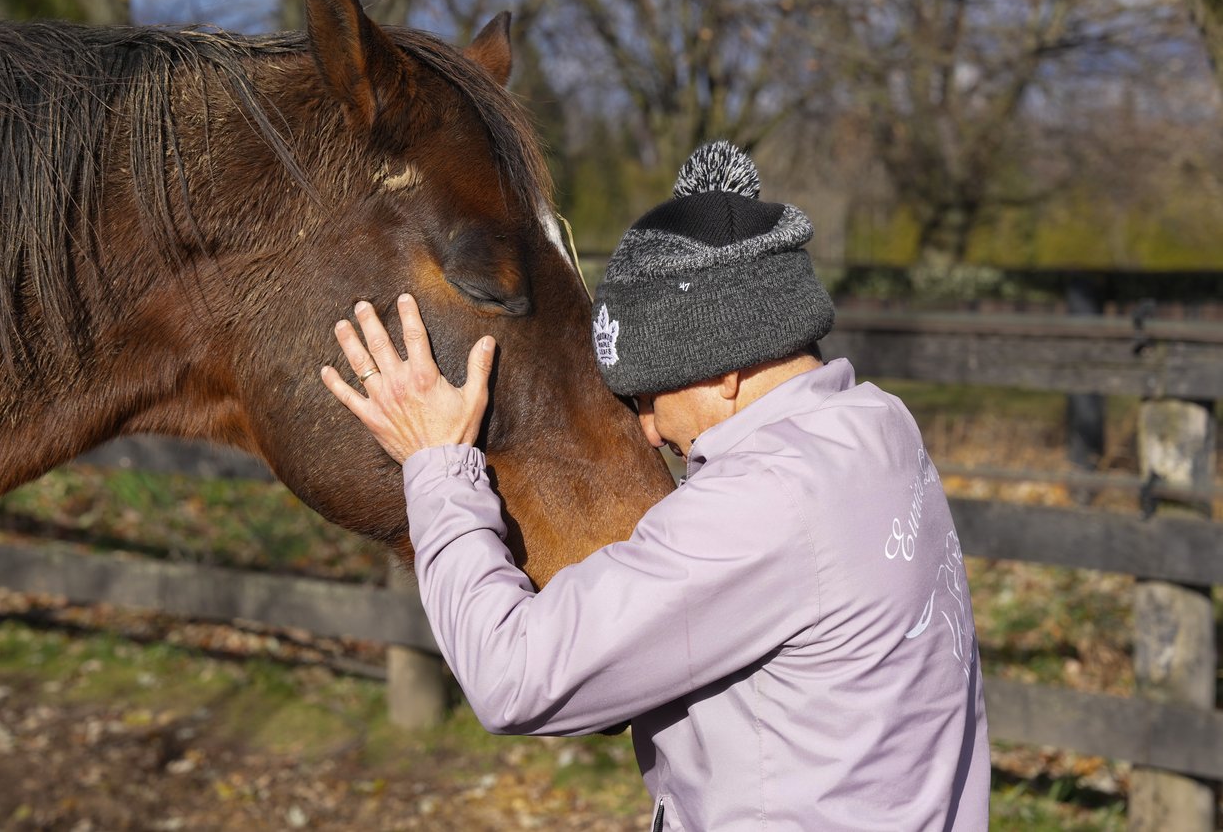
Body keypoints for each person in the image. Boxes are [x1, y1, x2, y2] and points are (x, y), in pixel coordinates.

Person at [320, 141, 990, 831]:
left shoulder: (767, 503)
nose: (646, 427)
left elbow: (513, 677)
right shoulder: (879, 427)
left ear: (724, 369)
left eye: (647, 392)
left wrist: (435, 462)